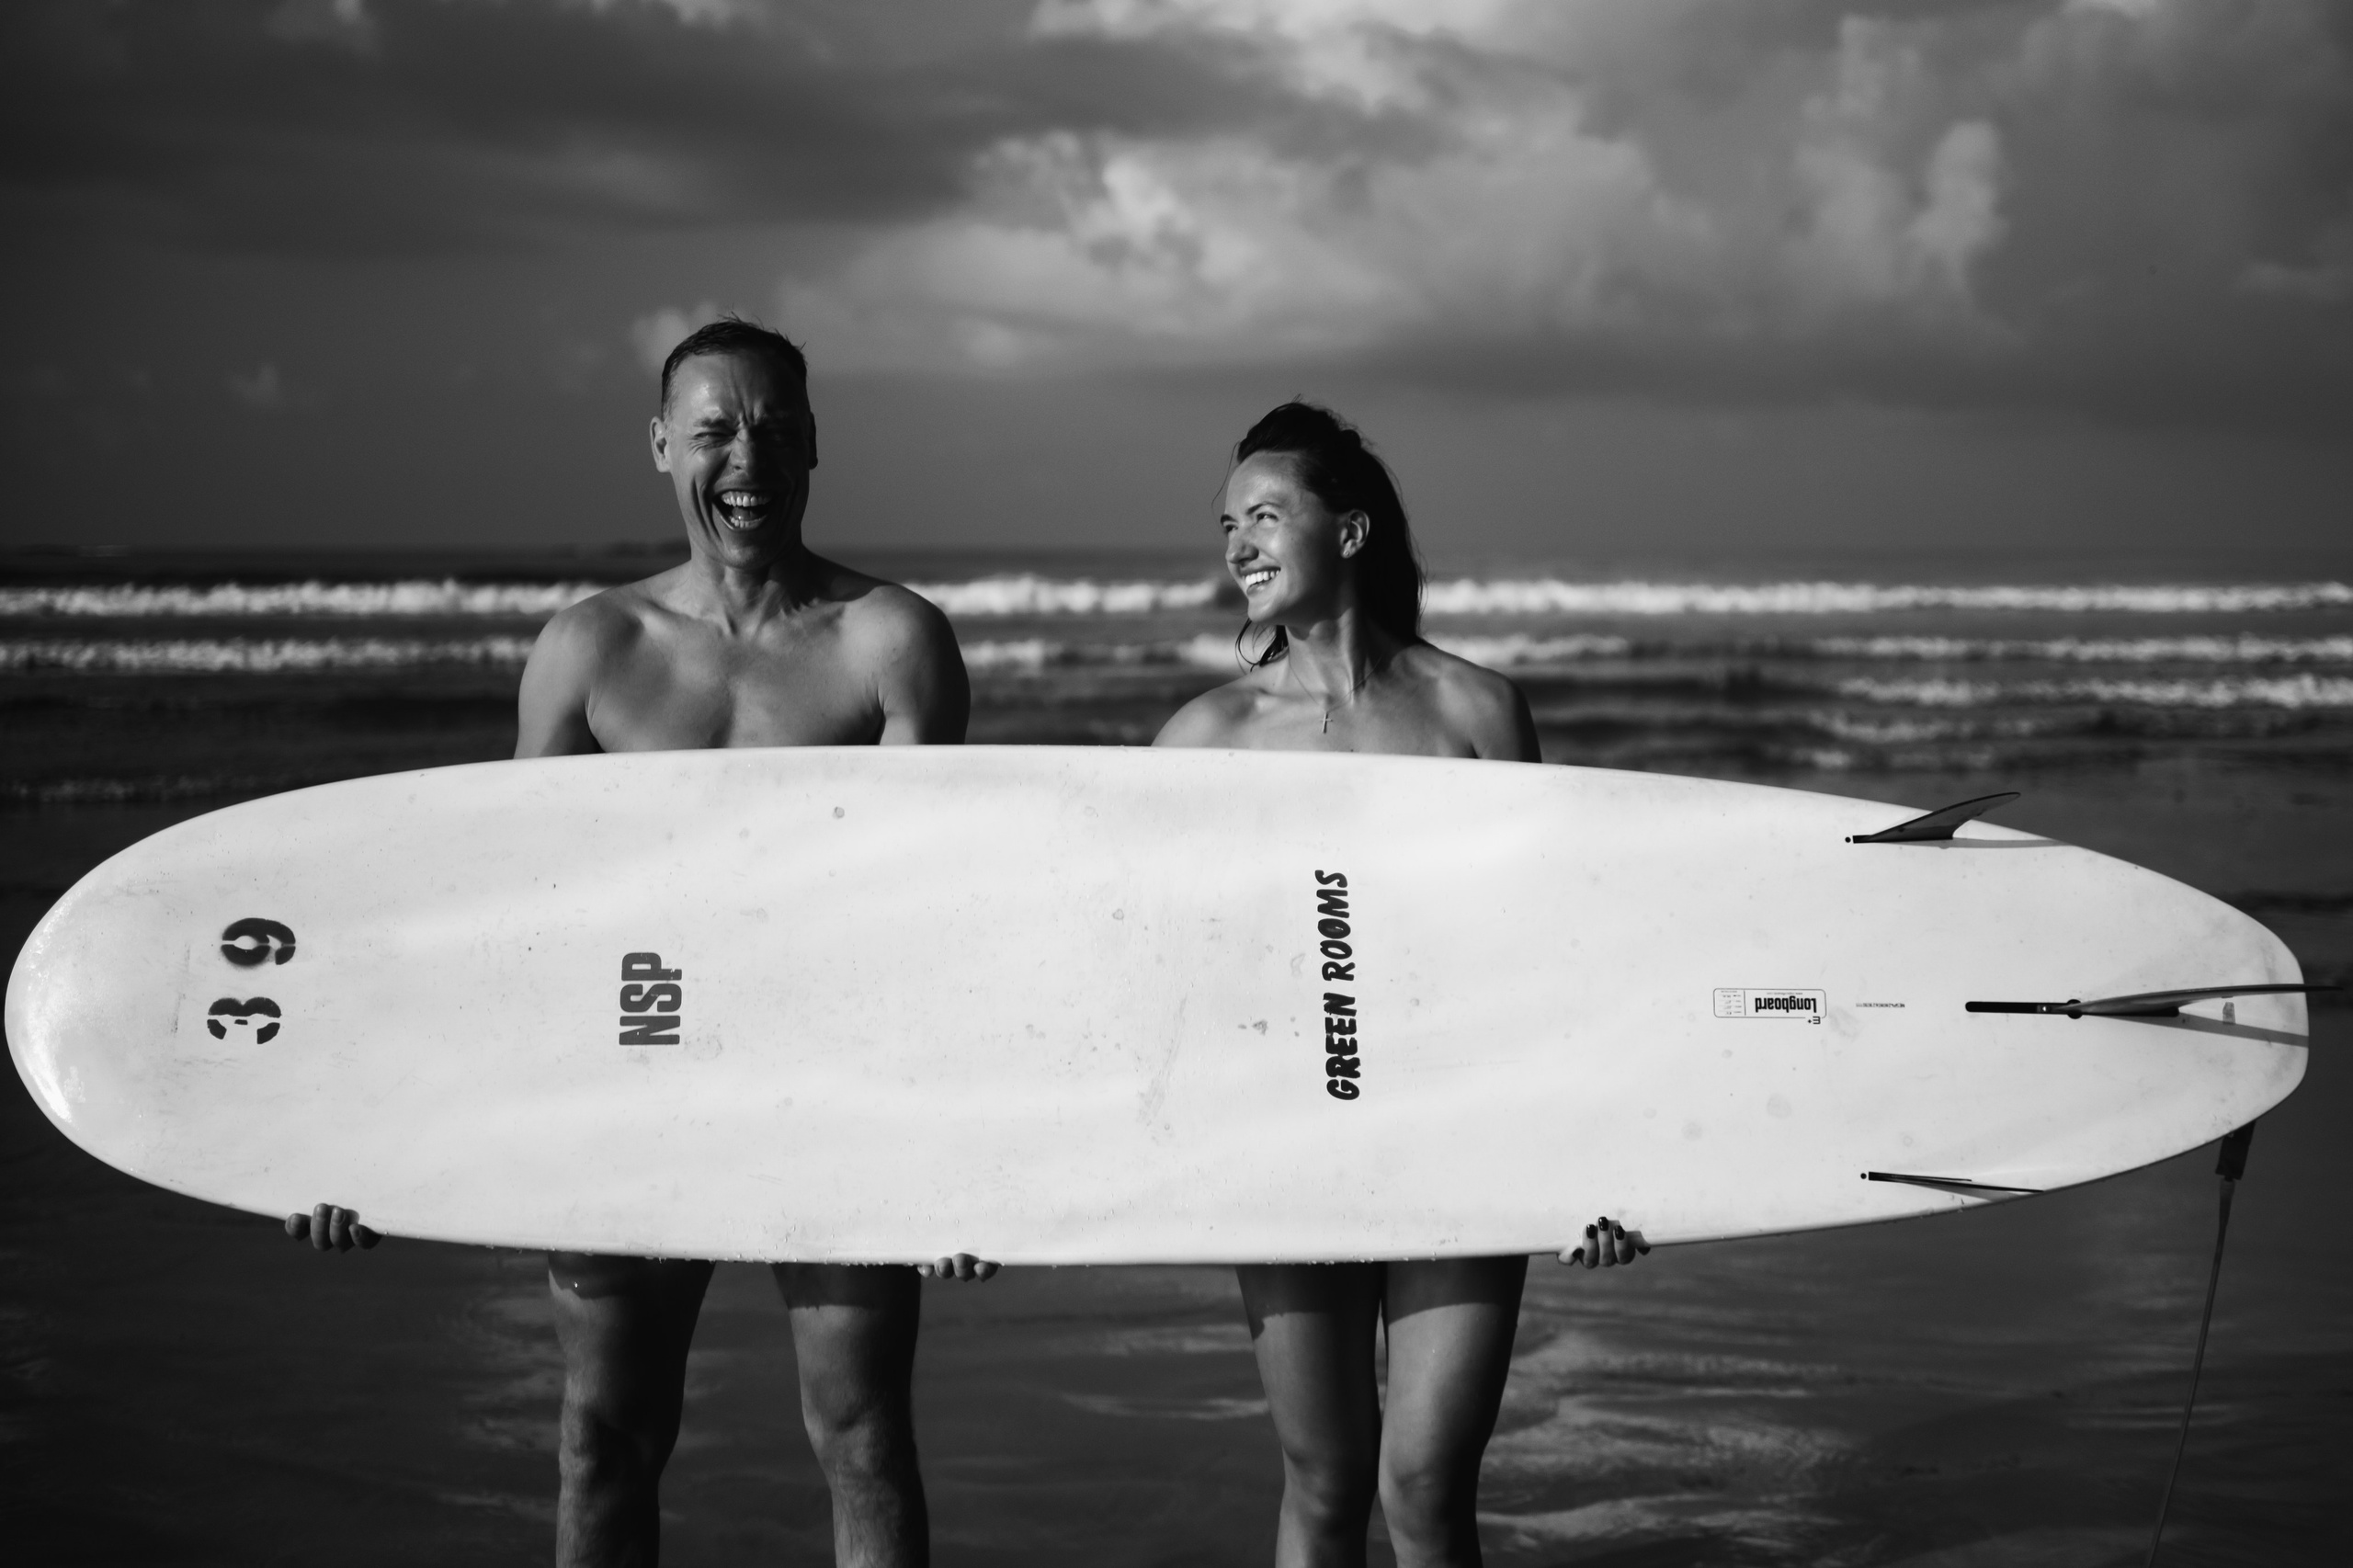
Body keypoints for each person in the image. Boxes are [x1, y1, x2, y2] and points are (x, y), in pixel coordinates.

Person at [286, 316, 995, 1568]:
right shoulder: (592, 649)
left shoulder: (888, 640)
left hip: (820, 1082)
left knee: (863, 1435)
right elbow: (507, 924)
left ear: (816, 446)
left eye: (774, 428)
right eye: (715, 429)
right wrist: (369, 1142)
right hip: (631, 1074)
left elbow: (928, 911)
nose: (746, 456)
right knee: (603, 1440)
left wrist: (951, 1155)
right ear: (662, 444)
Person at [1154, 402, 1645, 1568]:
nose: (1237, 546)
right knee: (1324, 1484)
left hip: (1456, 1126)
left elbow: (1541, 955)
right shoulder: (1202, 739)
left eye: (1267, 515)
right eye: (1227, 524)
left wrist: (1596, 1168)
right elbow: (1167, 970)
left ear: (1354, 530)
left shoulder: (1477, 712)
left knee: (1424, 1483)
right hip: (1284, 1133)